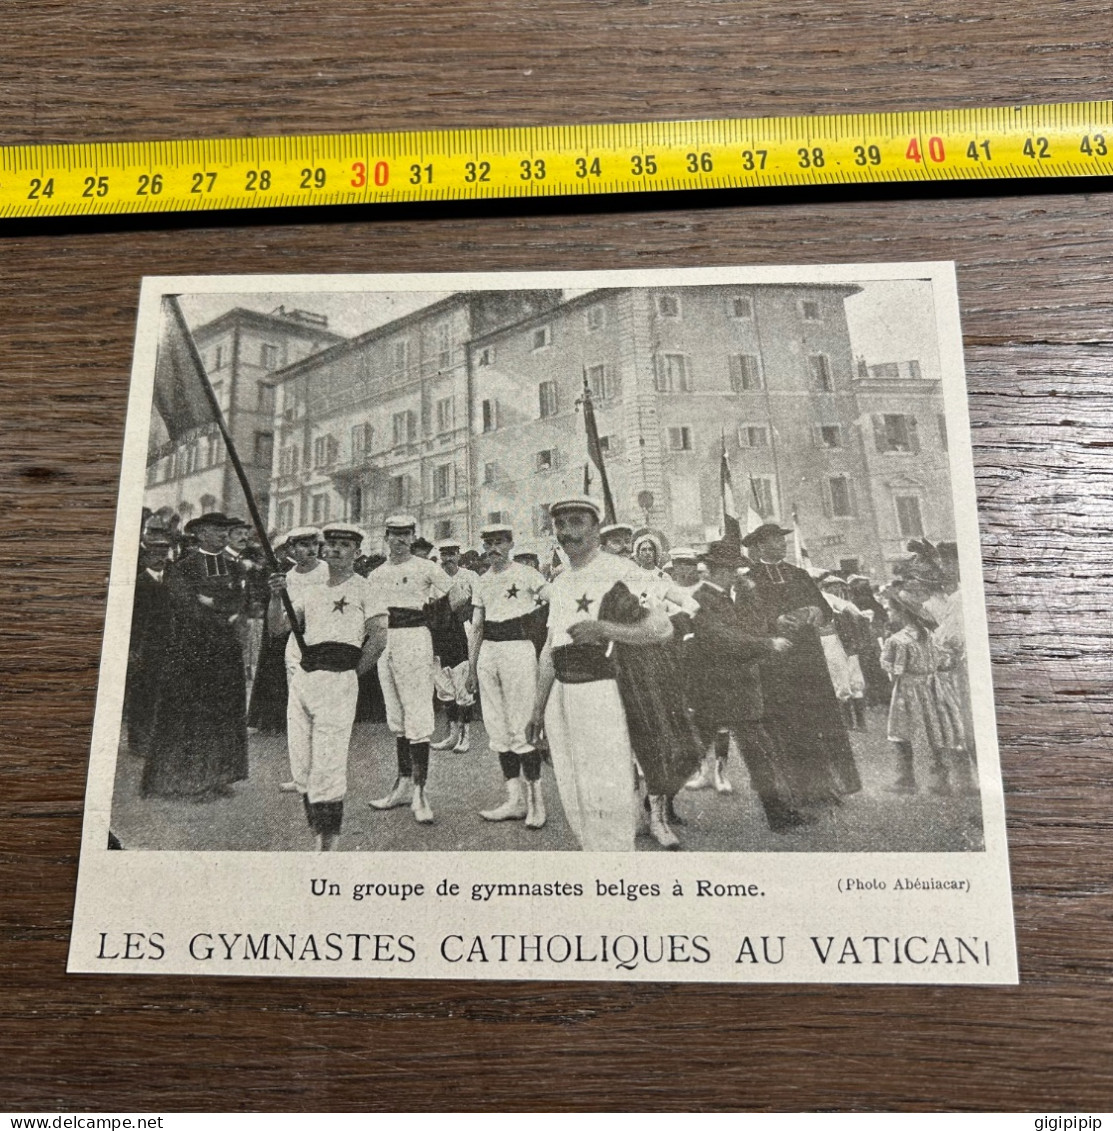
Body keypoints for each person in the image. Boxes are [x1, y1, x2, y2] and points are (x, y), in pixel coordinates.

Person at [527, 496, 676, 852]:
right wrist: (536, 709)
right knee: (574, 795)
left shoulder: (621, 571)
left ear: (596, 527)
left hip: (601, 690)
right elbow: (551, 646)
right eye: (560, 525)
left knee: (606, 794)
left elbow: (662, 628)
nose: (566, 532)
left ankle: (616, 872)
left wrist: (605, 629)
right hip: (560, 696)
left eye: (577, 522)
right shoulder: (561, 581)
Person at [268, 523, 388, 850]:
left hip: (338, 679)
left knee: (328, 766)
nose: (334, 549)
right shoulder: (312, 590)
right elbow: (278, 628)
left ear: (357, 552)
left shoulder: (366, 588)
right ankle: (317, 837)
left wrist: (348, 674)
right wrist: (276, 595)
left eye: (344, 545)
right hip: (305, 681)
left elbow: (377, 640)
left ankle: (328, 847)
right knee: (302, 767)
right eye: (331, 544)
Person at [686, 543, 813, 832]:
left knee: (759, 753)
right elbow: (721, 638)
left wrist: (770, 625)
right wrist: (768, 644)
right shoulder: (700, 599)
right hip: (715, 691)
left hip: (740, 688)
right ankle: (657, 808)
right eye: (731, 570)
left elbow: (752, 626)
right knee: (689, 754)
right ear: (719, 571)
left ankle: (779, 815)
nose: (736, 574)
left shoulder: (735, 596)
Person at [741, 523, 861, 806]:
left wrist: (812, 610)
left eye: (782, 540)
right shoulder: (748, 580)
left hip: (809, 660)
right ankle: (795, 790)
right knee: (786, 724)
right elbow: (745, 619)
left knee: (818, 719)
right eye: (773, 540)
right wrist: (774, 622)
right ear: (758, 546)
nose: (781, 544)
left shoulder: (799, 574)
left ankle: (827, 786)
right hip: (776, 662)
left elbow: (826, 610)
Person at [142, 512, 248, 801]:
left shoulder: (234, 567)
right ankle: (187, 780)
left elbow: (240, 601)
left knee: (223, 711)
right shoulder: (183, 567)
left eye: (226, 530)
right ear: (200, 534)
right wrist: (220, 612)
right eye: (216, 530)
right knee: (193, 715)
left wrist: (216, 605)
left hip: (225, 650)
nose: (224, 534)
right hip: (192, 651)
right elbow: (185, 606)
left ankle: (218, 775)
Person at [367, 515, 452, 823]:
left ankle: (420, 792)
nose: (400, 540)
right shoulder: (376, 574)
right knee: (396, 714)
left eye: (406, 534)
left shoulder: (426, 567)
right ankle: (402, 784)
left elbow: (457, 595)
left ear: (413, 536)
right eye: (395, 534)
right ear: (386, 536)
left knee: (417, 713)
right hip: (385, 640)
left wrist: (434, 620)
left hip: (415, 637)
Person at [468, 523, 550, 827]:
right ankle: (514, 800)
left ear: (511, 544)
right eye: (488, 543)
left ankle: (536, 804)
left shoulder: (527, 574)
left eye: (499, 542)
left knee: (522, 728)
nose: (493, 549)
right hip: (489, 652)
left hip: (518, 649)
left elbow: (555, 599)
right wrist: (472, 667)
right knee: (497, 729)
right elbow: (477, 626)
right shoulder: (481, 581)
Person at [879, 591, 974, 796]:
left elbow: (893, 669)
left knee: (901, 733)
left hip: (908, 688)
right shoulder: (931, 636)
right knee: (936, 731)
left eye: (890, 609)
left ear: (902, 613)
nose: (888, 613)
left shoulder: (896, 640)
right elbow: (943, 662)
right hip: (933, 687)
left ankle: (905, 779)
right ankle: (942, 779)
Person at [263, 528, 330, 790]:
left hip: (325, 645)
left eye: (314, 544)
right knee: (299, 712)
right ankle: (301, 775)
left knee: (323, 712)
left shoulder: (329, 571)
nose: (311, 549)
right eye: (303, 545)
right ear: (291, 550)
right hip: (297, 647)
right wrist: (275, 595)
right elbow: (276, 628)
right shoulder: (286, 578)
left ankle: (322, 772)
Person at [123, 530, 173, 757]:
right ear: (145, 557)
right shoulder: (139, 583)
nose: (160, 558)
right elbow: (132, 621)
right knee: (142, 693)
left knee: (160, 693)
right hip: (144, 647)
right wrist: (133, 649)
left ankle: (154, 738)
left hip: (166, 646)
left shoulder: (171, 581)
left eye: (164, 553)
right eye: (155, 553)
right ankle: (137, 740)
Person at [430, 539, 478, 753]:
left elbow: (477, 605)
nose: (448, 558)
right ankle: (452, 735)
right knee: (444, 689)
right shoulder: (433, 576)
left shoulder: (470, 576)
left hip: (462, 633)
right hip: (439, 635)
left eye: (452, 553)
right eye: (444, 554)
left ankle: (465, 736)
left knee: (463, 688)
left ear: (459, 555)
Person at [817, 573, 871, 731]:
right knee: (841, 677)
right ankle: (850, 721)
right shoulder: (813, 598)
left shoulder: (826, 597)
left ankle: (857, 721)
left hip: (840, 639)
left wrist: (859, 617)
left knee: (850, 676)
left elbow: (849, 607)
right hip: (830, 640)